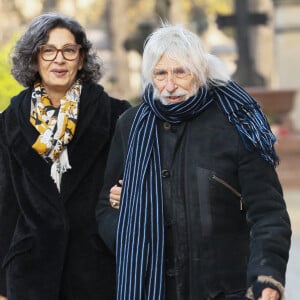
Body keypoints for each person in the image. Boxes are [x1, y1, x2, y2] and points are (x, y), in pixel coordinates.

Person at [96, 24, 292, 300]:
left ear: (200, 73)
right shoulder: (131, 126)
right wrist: (131, 238)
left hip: (222, 288)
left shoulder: (235, 124)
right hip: (151, 287)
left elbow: (267, 212)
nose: (169, 85)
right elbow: (106, 203)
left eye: (180, 72)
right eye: (160, 73)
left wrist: (266, 275)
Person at [0, 13, 130, 300]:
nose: (58, 59)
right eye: (47, 50)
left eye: (69, 50)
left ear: (81, 59)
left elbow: (134, 186)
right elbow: (4, 206)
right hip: (29, 277)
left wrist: (127, 194)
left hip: (98, 272)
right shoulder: (7, 124)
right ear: (34, 58)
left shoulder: (117, 117)